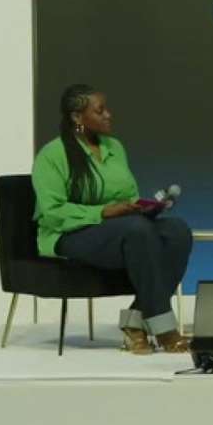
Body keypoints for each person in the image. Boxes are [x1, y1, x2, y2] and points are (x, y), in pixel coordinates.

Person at [31, 84, 192, 354]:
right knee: (138, 231)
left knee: (177, 230)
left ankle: (134, 323)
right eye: (100, 110)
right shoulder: (52, 155)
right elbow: (53, 211)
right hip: (68, 234)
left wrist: (142, 208)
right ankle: (164, 329)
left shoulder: (114, 147)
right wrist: (103, 212)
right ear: (77, 117)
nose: (109, 115)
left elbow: (128, 195)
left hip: (120, 229)